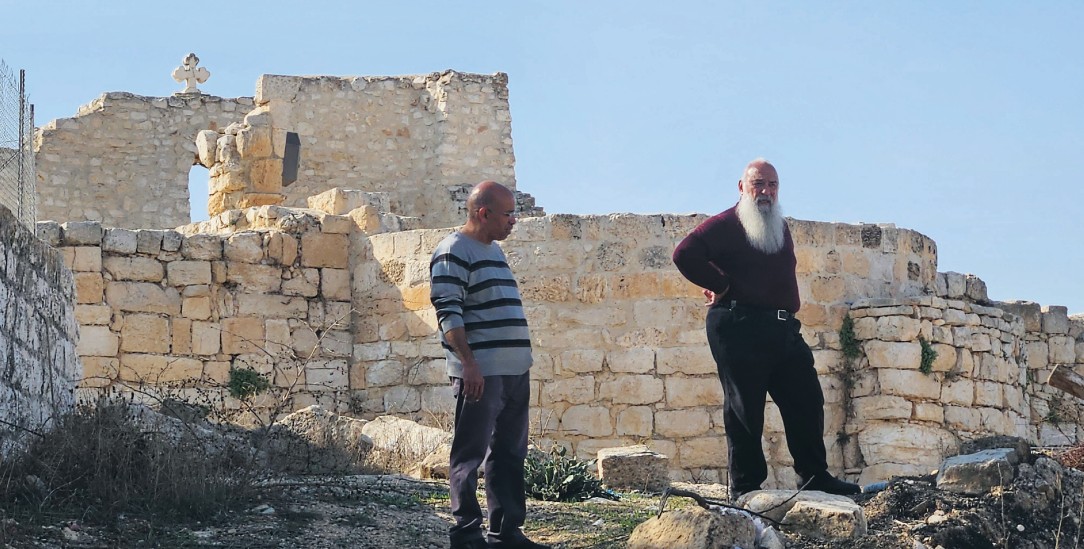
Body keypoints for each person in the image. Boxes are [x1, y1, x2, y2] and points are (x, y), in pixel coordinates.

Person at [671, 158, 860, 499]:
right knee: (745, 407)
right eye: (758, 183)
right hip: (739, 326)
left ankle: (814, 476)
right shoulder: (726, 224)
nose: (766, 191)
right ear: (742, 187)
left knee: (807, 398)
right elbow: (684, 254)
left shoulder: (778, 227)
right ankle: (745, 487)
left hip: (783, 329)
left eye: (772, 185)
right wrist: (719, 283)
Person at [430, 181, 550, 549]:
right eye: (508, 214)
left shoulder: (495, 250)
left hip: (515, 371)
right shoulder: (453, 250)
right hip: (482, 373)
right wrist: (469, 364)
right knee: (469, 455)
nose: (514, 221)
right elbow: (448, 312)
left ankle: (506, 532)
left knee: (510, 453)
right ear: (484, 213)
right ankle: (466, 535)